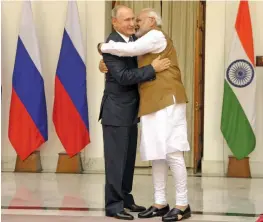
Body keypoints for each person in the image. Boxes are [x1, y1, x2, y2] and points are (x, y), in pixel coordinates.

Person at [99, 8, 192, 221]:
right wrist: (151, 67)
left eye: (136, 19)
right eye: (129, 20)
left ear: (151, 20)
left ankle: (182, 204)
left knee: (172, 151)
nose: (134, 24)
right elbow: (123, 73)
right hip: (131, 107)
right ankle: (151, 203)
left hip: (164, 102)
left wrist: (101, 48)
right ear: (115, 23)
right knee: (155, 153)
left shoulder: (152, 36)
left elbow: (130, 51)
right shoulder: (126, 41)